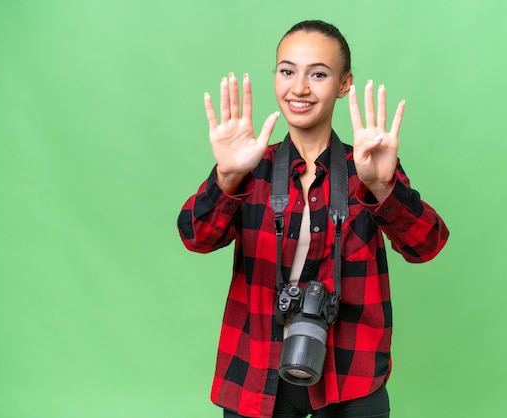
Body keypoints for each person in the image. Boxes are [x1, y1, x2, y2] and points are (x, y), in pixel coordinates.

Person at [177, 20, 449, 418]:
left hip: (349, 373)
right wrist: (227, 176)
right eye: (287, 71)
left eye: (317, 74)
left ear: (344, 84)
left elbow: (427, 245)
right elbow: (195, 237)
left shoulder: (368, 168)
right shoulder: (254, 166)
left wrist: (384, 188)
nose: (299, 88)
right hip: (258, 369)